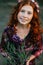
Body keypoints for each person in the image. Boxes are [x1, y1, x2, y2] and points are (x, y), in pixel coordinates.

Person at [0, 0, 43, 65]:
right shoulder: (8, 31)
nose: (25, 16)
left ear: (33, 15)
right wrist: (10, 58)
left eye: (29, 13)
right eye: (22, 11)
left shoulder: (35, 31)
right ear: (17, 12)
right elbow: (2, 48)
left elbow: (39, 49)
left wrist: (29, 59)